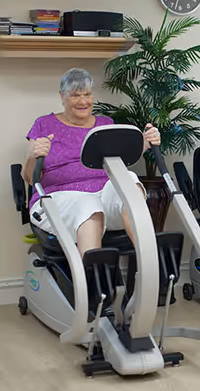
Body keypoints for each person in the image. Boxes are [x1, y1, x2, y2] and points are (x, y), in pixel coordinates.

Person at [22, 68, 161, 257]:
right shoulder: (43, 125)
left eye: (87, 94)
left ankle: (153, 265)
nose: (83, 101)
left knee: (128, 178)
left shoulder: (105, 124)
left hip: (105, 198)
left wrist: (145, 142)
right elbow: (30, 179)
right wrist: (32, 155)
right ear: (62, 96)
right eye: (75, 95)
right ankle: (91, 282)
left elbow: (120, 162)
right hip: (58, 200)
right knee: (88, 205)